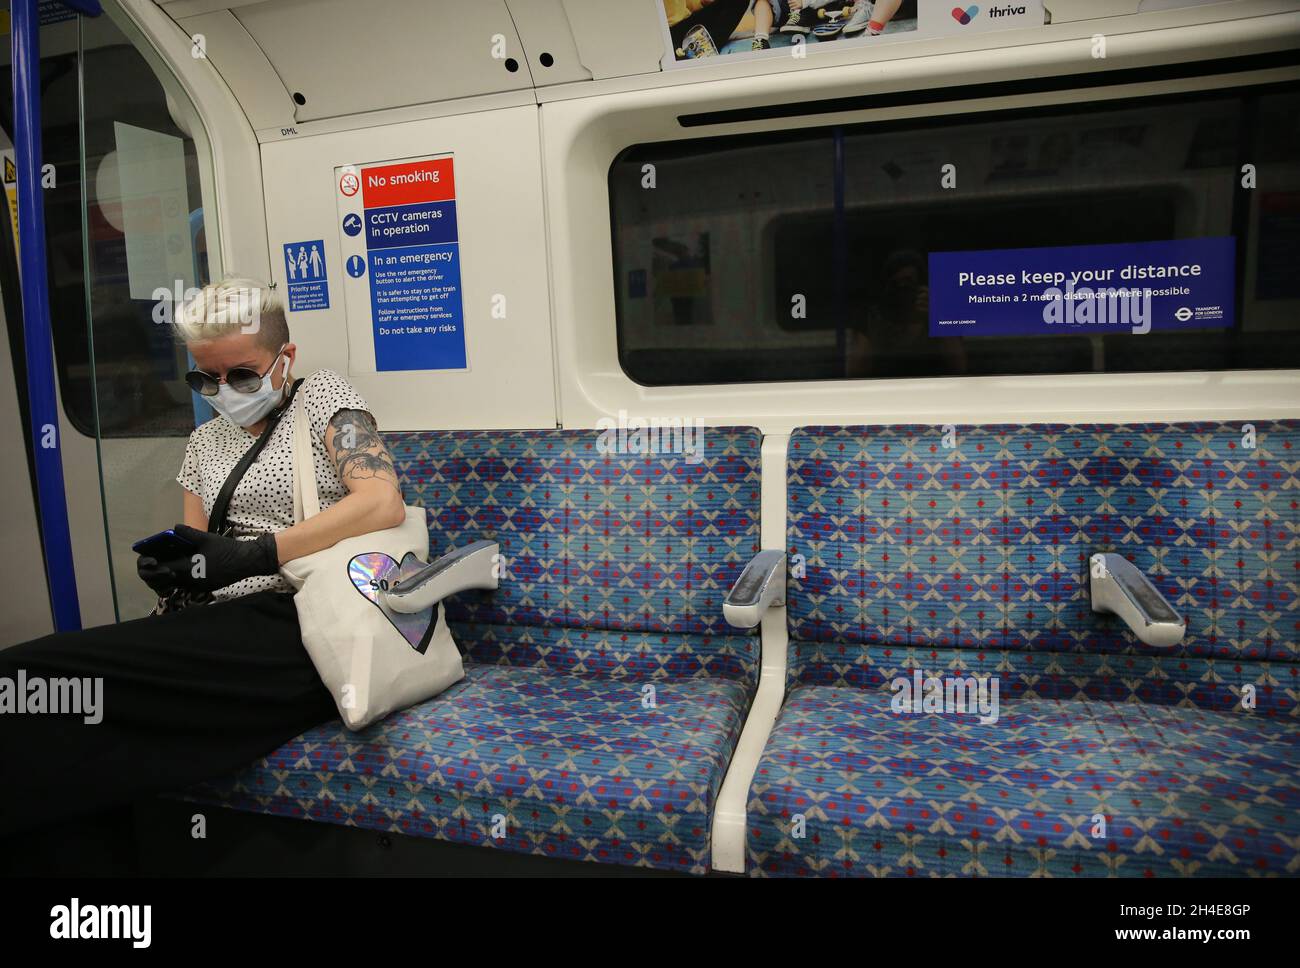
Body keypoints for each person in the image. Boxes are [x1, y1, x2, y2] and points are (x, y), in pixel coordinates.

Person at [0, 278, 406, 841]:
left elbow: (382, 502)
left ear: (284, 359)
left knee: (36, 680)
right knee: (72, 725)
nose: (224, 389)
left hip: (305, 621)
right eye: (204, 377)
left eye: (241, 374)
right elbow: (197, 547)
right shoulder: (204, 442)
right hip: (221, 628)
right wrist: (179, 569)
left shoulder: (324, 401)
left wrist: (256, 554)